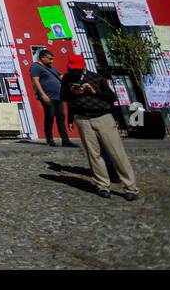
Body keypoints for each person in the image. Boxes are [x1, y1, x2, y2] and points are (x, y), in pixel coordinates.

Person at [61, 54, 139, 201]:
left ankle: (131, 187)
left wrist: (94, 92)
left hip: (102, 117)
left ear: (83, 66)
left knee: (116, 152)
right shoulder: (67, 78)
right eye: (73, 69)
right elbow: (64, 97)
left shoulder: (96, 78)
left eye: (78, 68)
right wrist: (73, 93)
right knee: (93, 154)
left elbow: (111, 97)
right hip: (83, 119)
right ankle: (102, 185)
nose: (76, 71)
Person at [29, 50, 73, 147]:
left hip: (58, 96)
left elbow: (61, 77)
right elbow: (36, 81)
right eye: (50, 59)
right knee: (50, 116)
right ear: (42, 58)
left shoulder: (51, 68)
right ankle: (49, 139)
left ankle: (65, 140)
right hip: (48, 96)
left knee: (61, 117)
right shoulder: (35, 67)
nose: (52, 61)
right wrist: (43, 95)